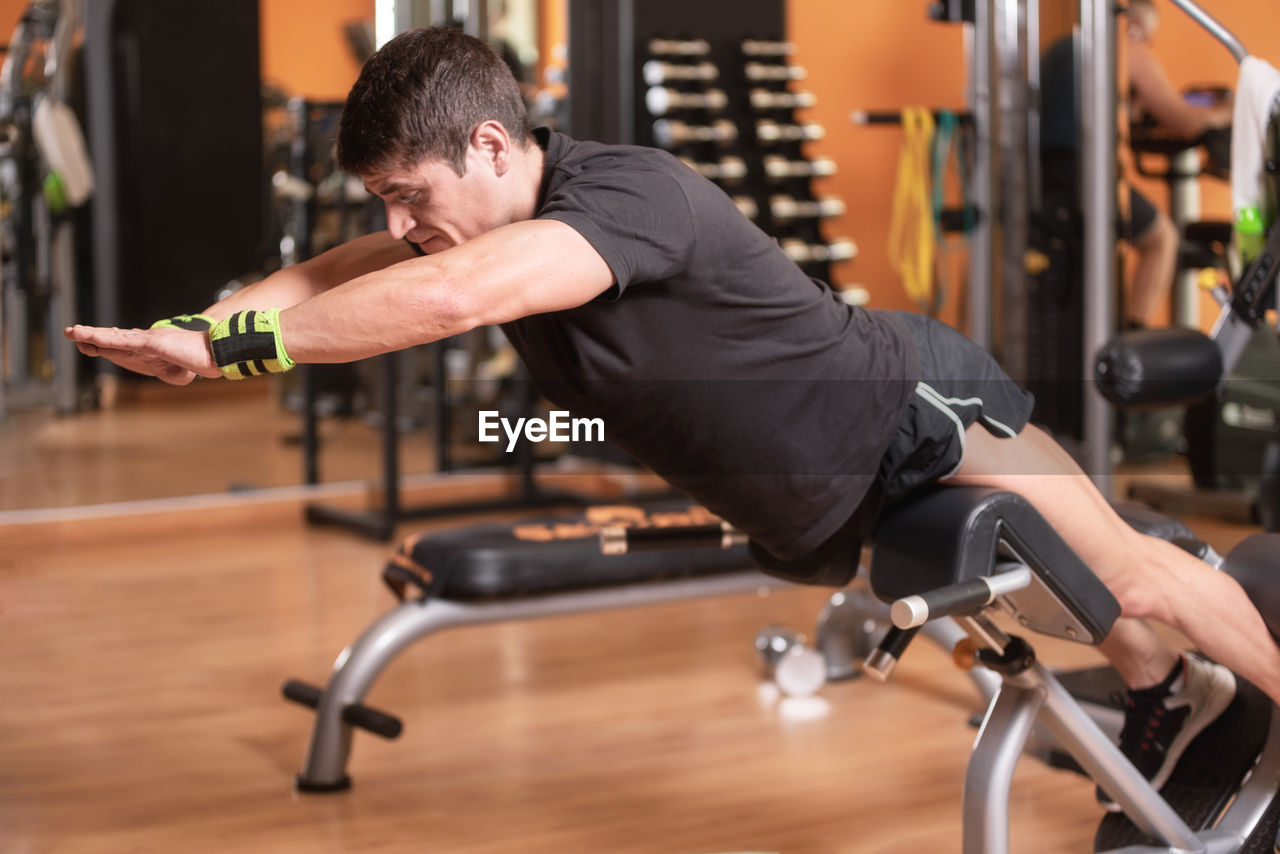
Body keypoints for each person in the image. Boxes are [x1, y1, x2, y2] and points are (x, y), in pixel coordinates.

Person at [68, 27, 1273, 815]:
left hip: (912, 412)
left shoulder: (613, 198)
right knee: (1075, 606)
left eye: (408, 196)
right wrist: (192, 334)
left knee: (1134, 573)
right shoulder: (476, 222)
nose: (396, 224)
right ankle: (1164, 693)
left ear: (492, 146)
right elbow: (331, 278)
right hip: (823, 495)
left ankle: (1229, 682)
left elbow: (443, 298)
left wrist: (240, 346)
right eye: (383, 201)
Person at [1041, 0, 1233, 328]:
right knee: (1162, 239)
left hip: (1048, 170)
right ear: (1134, 24)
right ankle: (1134, 333)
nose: (1146, 44)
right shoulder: (1124, 47)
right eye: (1148, 36)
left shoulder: (1065, 46)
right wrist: (1232, 111)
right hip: (1083, 172)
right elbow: (1185, 121)